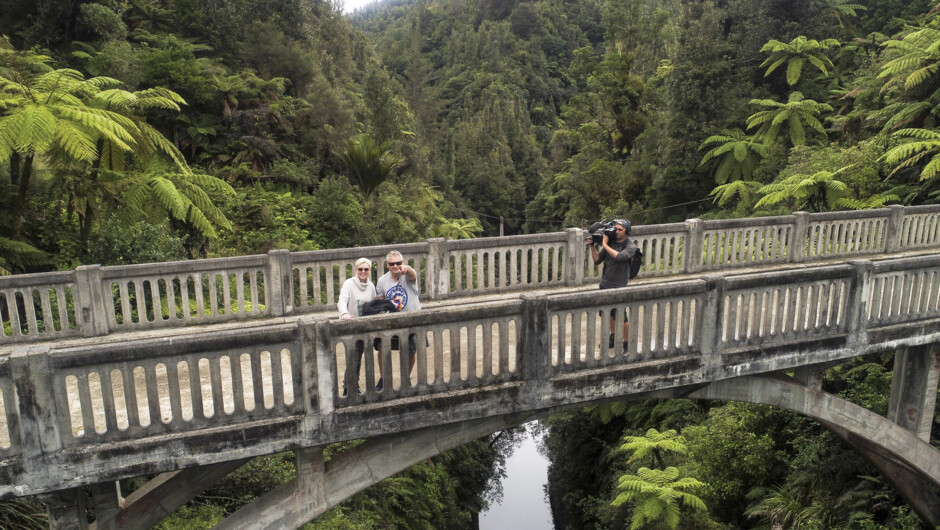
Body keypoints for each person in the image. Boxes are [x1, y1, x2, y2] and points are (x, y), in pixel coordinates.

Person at [587, 219, 638, 349]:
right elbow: (597, 260)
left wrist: (604, 244)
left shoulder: (631, 247)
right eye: (616, 229)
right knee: (609, 313)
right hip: (605, 284)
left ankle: (626, 343)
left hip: (619, 285)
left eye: (620, 229)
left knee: (622, 317)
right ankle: (613, 337)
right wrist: (592, 246)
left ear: (627, 231)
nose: (617, 231)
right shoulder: (611, 243)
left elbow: (620, 257)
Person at [376, 250, 421, 389]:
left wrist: (406, 269)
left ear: (403, 262)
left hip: (411, 318)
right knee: (382, 348)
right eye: (392, 263)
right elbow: (380, 301)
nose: (395, 266)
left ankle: (406, 378)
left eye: (398, 263)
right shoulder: (382, 280)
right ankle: (383, 379)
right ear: (387, 265)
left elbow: (412, 274)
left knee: (411, 350)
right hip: (392, 320)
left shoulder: (407, 275)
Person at [337, 258, 376, 395]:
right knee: (354, 356)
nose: (363, 272)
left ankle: (352, 385)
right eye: (360, 269)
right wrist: (345, 313)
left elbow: (373, 305)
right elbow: (342, 301)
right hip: (351, 325)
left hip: (364, 326)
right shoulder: (349, 284)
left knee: (358, 356)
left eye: (366, 269)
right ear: (356, 270)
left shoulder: (371, 286)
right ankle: (349, 387)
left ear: (369, 270)